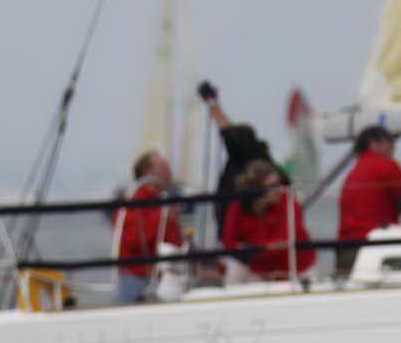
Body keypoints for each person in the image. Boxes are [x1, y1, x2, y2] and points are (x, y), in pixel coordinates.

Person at [197, 81, 290, 238]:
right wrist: (213, 104)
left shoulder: (242, 152)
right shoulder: (260, 156)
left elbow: (227, 131)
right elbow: (228, 129)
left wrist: (212, 103)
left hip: (247, 232)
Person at [222, 160, 315, 280]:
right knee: (233, 271)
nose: (279, 189)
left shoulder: (288, 202)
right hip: (257, 267)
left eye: (279, 183)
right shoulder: (238, 205)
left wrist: (251, 248)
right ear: (257, 188)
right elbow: (229, 242)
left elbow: (283, 242)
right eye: (273, 185)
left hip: (296, 266)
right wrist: (261, 248)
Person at [336, 125, 401, 274]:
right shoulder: (387, 166)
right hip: (376, 246)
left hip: (345, 249)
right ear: (373, 143)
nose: (394, 147)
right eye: (389, 141)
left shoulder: (352, 174)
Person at [114, 150, 184, 304]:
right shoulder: (136, 201)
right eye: (164, 167)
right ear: (149, 173)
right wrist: (162, 217)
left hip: (161, 278)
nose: (169, 171)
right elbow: (134, 238)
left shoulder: (160, 201)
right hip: (138, 278)